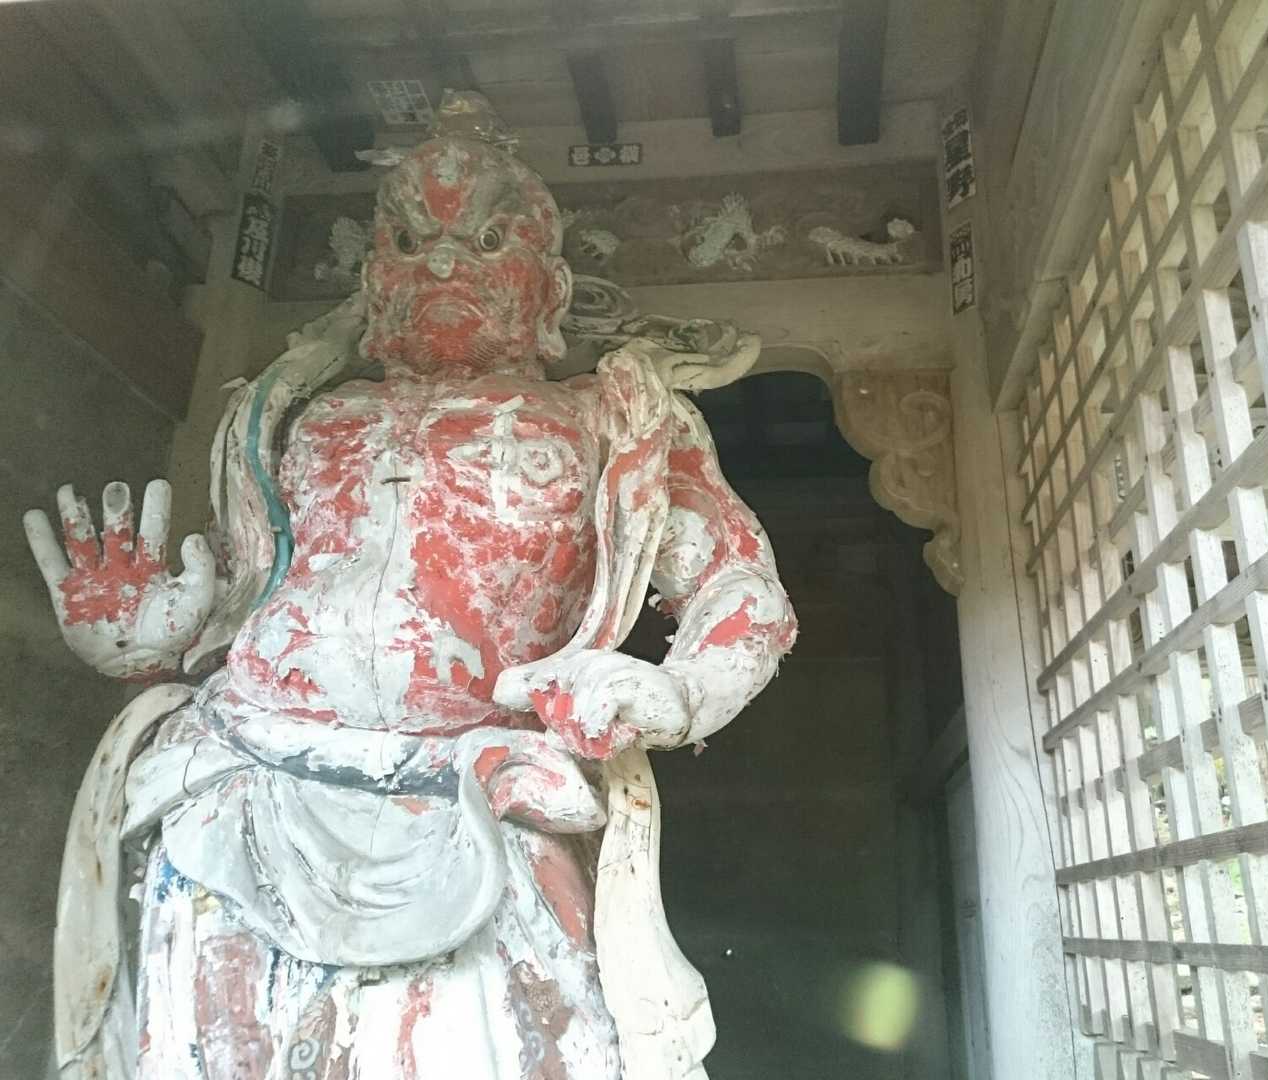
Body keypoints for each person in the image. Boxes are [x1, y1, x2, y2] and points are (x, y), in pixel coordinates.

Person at [27, 92, 795, 1080]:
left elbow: (739, 587)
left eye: (487, 241)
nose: (440, 265)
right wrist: (150, 646)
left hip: (479, 790)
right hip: (246, 773)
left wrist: (678, 689)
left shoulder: (607, 420)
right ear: (373, 279)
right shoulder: (298, 417)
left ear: (550, 285)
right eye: (407, 240)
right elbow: (242, 585)